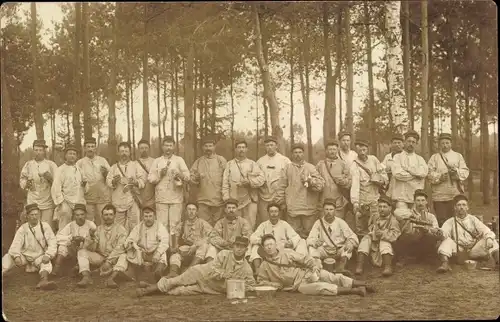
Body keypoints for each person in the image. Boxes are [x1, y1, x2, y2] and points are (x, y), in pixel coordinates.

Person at [256, 234, 375, 297]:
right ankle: (355, 291)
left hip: (306, 273)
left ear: (276, 244)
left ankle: (364, 284)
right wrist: (275, 284)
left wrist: (314, 267)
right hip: (298, 285)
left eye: (271, 244)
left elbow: (306, 259)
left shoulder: (287, 253)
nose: (270, 247)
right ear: (263, 248)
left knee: (331, 277)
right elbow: (261, 281)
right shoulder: (264, 265)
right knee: (321, 287)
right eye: (267, 245)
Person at [136, 236, 255, 297]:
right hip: (201, 273)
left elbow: (251, 285)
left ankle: (152, 286)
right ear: (233, 247)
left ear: (246, 249)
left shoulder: (246, 268)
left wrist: (239, 286)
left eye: (242, 247)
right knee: (175, 281)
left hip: (211, 288)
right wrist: (224, 275)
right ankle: (147, 290)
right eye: (237, 246)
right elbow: (213, 269)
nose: (239, 249)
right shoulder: (224, 254)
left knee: (178, 292)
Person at [437, 194, 499, 273]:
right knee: (446, 241)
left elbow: (486, 230)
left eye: (464, 205)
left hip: (474, 249)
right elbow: (444, 233)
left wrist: (489, 239)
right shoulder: (450, 221)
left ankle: (498, 263)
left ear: (467, 207)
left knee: (491, 239)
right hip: (459, 250)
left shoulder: (473, 219)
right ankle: (445, 264)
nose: (461, 207)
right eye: (459, 205)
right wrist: (440, 233)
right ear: (455, 208)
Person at [2, 204, 57, 290]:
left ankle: (43, 281)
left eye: (36, 214)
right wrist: (16, 256)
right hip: (25, 256)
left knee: (46, 263)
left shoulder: (44, 226)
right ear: (27, 216)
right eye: (32, 215)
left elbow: (52, 242)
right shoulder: (23, 228)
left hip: (39, 256)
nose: (34, 217)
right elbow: (15, 244)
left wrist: (48, 255)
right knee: (8, 257)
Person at [275, 143, 325, 239]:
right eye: (295, 152)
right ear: (292, 154)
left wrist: (311, 181)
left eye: (300, 152)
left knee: (310, 234)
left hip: (309, 208)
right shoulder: (287, 168)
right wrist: (281, 202)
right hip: (292, 208)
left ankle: (309, 253)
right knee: (293, 235)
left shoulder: (310, 167)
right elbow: (281, 187)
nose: (298, 154)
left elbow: (321, 185)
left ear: (303, 154)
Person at [74, 204, 130, 288]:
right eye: (106, 215)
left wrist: (109, 262)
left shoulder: (121, 229)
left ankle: (112, 278)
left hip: (114, 258)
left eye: (111, 214)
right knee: (81, 252)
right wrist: (91, 237)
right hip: (101, 257)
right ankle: (86, 277)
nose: (108, 217)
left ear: (114, 216)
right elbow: (92, 249)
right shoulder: (98, 229)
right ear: (102, 216)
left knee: (124, 256)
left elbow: (120, 248)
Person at [148, 136, 190, 245]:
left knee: (175, 224)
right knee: (162, 224)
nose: (168, 148)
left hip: (176, 198)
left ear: (174, 147)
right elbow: (150, 179)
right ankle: (164, 247)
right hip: (161, 198)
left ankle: (174, 247)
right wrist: (160, 174)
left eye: (170, 145)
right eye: (166, 145)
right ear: (162, 147)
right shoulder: (157, 161)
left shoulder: (179, 160)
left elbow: (187, 176)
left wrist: (179, 174)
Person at [249, 202, 307, 272]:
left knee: (302, 241)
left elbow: (295, 236)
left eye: (276, 211)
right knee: (255, 246)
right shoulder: (264, 225)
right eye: (271, 212)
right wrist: (262, 241)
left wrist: (291, 242)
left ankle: (301, 267)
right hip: (268, 250)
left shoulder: (284, 224)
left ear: (279, 213)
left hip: (281, 249)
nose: (274, 214)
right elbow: (253, 237)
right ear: (268, 213)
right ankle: (257, 270)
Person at [427, 133, 470, 226]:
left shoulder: (458, 156)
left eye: (447, 143)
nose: (445, 145)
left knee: (455, 219)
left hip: (454, 193)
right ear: (439, 144)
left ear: (451, 144)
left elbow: (465, 170)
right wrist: (439, 177)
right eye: (442, 143)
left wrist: (456, 173)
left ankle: (456, 238)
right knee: (442, 219)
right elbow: (429, 173)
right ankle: (443, 238)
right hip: (439, 195)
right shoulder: (434, 157)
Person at [307, 199, 359, 275]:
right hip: (324, 251)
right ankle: (317, 267)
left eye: (331, 209)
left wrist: (350, 242)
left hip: (338, 250)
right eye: (326, 209)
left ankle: (341, 268)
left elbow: (352, 236)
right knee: (312, 248)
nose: (329, 212)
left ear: (335, 210)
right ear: (323, 210)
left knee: (347, 248)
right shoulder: (318, 223)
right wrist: (315, 242)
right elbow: (310, 239)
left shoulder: (340, 222)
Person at [222, 139, 265, 230]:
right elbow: (225, 183)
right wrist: (226, 200)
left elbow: (262, 179)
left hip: (250, 200)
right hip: (234, 201)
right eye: (239, 147)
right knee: (234, 225)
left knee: (249, 225)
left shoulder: (252, 164)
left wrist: (250, 182)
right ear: (235, 149)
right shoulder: (229, 164)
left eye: (243, 147)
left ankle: (249, 243)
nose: (241, 150)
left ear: (246, 149)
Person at [355, 196, 401, 277]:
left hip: (388, 252)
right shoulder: (375, 216)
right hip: (375, 248)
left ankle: (388, 267)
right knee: (366, 238)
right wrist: (372, 231)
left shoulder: (393, 221)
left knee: (384, 241)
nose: (382, 209)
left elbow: (395, 236)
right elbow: (370, 226)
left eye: (384, 207)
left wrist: (383, 234)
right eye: (380, 206)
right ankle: (359, 265)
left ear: (390, 208)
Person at [168, 202, 216, 278]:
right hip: (186, 250)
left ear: (197, 212)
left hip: (199, 252)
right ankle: (173, 273)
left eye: (193, 210)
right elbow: (173, 234)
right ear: (186, 212)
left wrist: (196, 245)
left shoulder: (202, 223)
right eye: (189, 209)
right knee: (175, 255)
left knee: (204, 246)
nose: (191, 212)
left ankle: (189, 270)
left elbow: (212, 235)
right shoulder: (182, 224)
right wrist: (174, 245)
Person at [394, 190, 442, 265]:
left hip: (424, 243)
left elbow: (436, 231)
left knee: (431, 238)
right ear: (414, 202)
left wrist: (427, 231)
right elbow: (398, 216)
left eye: (423, 200)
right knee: (403, 237)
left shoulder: (431, 216)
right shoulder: (408, 213)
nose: (420, 203)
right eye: (418, 200)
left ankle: (427, 258)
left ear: (426, 202)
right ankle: (404, 258)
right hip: (411, 241)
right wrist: (410, 218)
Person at [350, 139, 388, 236]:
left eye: (364, 150)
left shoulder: (374, 160)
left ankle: (375, 249)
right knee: (361, 229)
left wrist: (380, 180)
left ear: (367, 150)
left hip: (375, 200)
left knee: (376, 226)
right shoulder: (355, 165)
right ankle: (362, 248)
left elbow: (383, 174)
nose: (362, 153)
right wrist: (355, 203)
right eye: (360, 151)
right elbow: (355, 186)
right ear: (356, 151)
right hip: (362, 201)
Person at [389, 130, 428, 221]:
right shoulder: (397, 157)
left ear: (416, 144)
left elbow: (423, 173)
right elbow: (397, 174)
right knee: (401, 217)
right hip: (401, 195)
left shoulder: (420, 159)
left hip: (416, 196)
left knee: (418, 221)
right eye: (409, 141)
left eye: (413, 142)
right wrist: (415, 176)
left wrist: (408, 169)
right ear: (404, 142)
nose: (411, 144)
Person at [106, 142, 145, 233]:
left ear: (130, 153)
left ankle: (133, 244)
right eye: (122, 151)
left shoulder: (136, 165)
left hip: (132, 199)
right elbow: (108, 181)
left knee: (134, 224)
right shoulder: (114, 168)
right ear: (118, 153)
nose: (124, 153)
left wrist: (134, 182)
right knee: (118, 225)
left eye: (126, 151)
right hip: (118, 199)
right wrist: (114, 181)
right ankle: (120, 244)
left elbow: (143, 181)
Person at [124, 206, 170, 282]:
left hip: (154, 253)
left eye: (150, 216)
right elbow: (130, 238)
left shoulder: (159, 226)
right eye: (146, 216)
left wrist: (158, 253)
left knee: (163, 254)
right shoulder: (139, 226)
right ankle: (133, 273)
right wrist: (131, 244)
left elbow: (165, 241)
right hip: (143, 254)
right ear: (143, 217)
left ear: (154, 216)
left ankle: (157, 273)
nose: (148, 219)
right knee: (130, 252)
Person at [19, 140, 58, 230]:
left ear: (44, 151)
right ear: (33, 151)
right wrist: (26, 184)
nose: (38, 153)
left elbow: (58, 182)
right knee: (33, 227)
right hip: (33, 200)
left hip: (47, 201)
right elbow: (22, 179)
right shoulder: (28, 165)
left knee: (47, 227)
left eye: (40, 150)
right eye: (36, 150)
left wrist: (50, 178)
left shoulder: (51, 165)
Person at [189, 136, 227, 226]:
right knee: (204, 226)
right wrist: (195, 179)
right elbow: (191, 178)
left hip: (219, 200)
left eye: (210, 146)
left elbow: (227, 178)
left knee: (218, 226)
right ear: (202, 148)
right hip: (203, 200)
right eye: (206, 146)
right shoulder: (198, 162)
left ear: (214, 147)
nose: (208, 148)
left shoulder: (221, 160)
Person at [51, 204, 97, 277]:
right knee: (62, 246)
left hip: (86, 251)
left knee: (85, 243)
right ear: (74, 216)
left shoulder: (91, 225)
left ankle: (78, 267)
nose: (80, 217)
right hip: (73, 250)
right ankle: (56, 268)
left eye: (82, 214)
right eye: (77, 215)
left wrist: (84, 239)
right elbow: (58, 237)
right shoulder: (71, 225)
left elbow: (95, 240)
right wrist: (71, 238)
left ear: (85, 214)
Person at [51, 145, 87, 232]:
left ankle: (76, 243)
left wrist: (85, 184)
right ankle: (62, 243)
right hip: (66, 201)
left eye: (74, 154)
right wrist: (61, 202)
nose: (72, 156)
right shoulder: (60, 170)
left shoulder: (79, 170)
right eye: (70, 153)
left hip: (78, 200)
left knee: (78, 224)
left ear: (77, 156)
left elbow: (85, 187)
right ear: (65, 156)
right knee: (65, 226)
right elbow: (56, 187)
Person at [76, 137, 111, 225]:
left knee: (103, 221)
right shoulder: (80, 163)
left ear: (95, 148)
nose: (90, 149)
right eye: (88, 147)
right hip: (88, 199)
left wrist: (106, 174)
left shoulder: (102, 161)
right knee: (89, 222)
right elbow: (76, 180)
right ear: (84, 148)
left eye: (92, 147)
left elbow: (110, 177)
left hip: (102, 197)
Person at [256, 136, 291, 224]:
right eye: (267, 145)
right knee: (265, 221)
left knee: (280, 221)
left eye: (272, 145)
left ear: (276, 146)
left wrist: (284, 196)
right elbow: (256, 178)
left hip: (279, 197)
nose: (269, 147)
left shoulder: (285, 160)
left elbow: (290, 178)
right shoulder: (260, 161)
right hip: (264, 197)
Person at [315, 140, 351, 220]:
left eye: (334, 149)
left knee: (338, 224)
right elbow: (315, 180)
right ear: (326, 151)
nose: (332, 152)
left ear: (337, 150)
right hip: (323, 201)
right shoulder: (320, 165)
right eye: (330, 149)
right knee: (324, 224)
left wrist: (343, 182)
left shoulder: (343, 164)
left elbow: (349, 182)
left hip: (338, 202)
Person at [135, 139, 156, 210]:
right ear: (138, 150)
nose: (144, 150)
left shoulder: (155, 162)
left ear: (149, 149)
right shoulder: (134, 164)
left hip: (153, 195)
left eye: (146, 148)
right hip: (139, 196)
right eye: (142, 148)